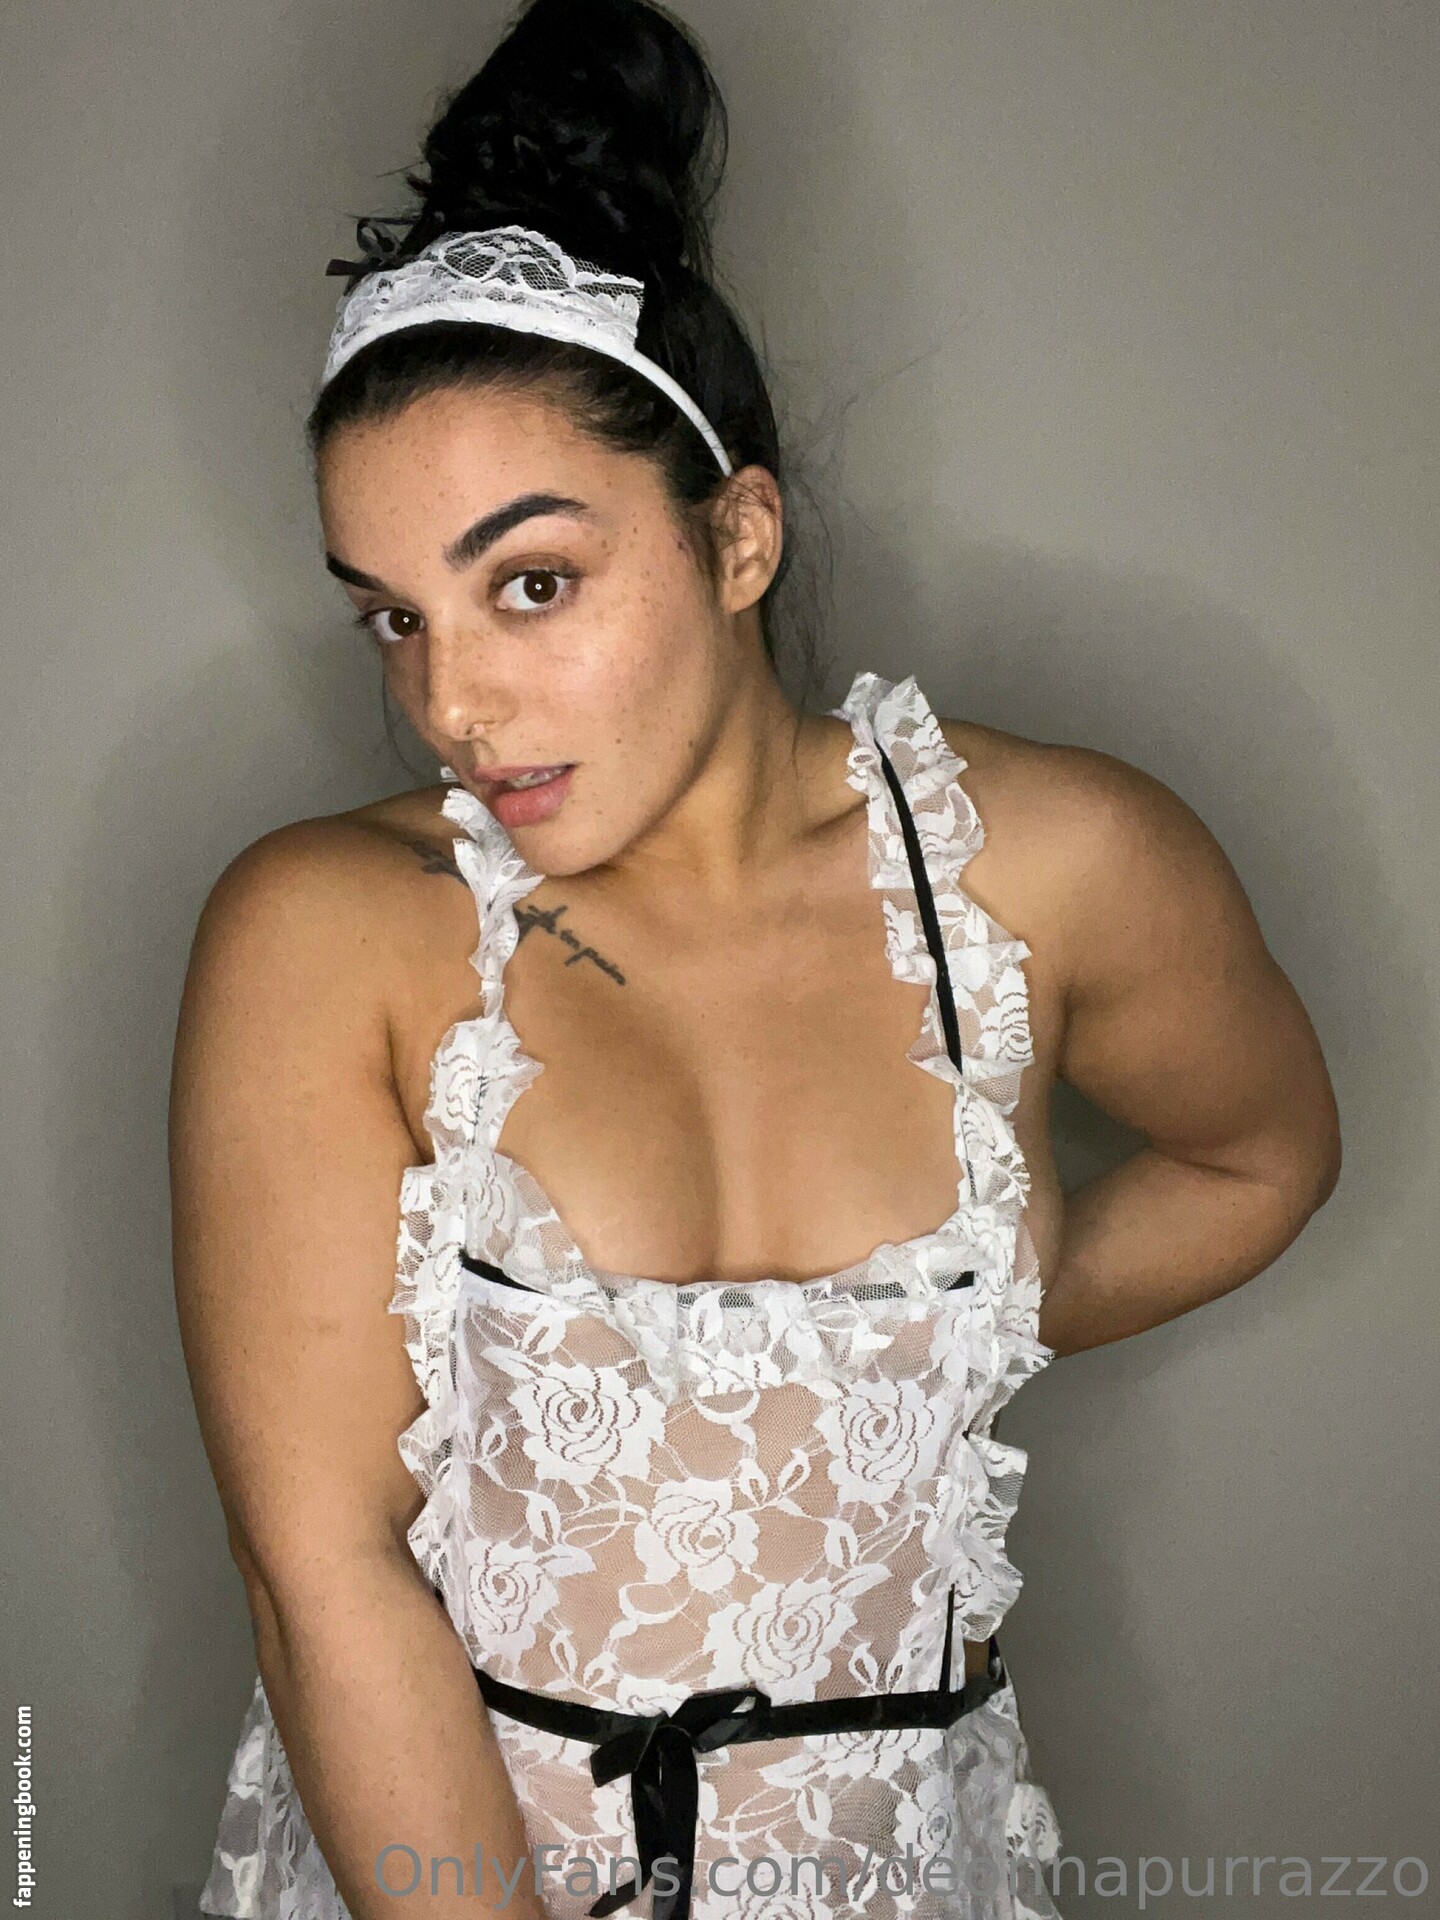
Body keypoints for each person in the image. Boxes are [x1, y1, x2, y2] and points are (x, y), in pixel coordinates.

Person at [170, 1, 1342, 1916]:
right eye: (394, 617)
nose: (451, 704)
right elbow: (321, 1576)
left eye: (530, 583)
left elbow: (1262, 1156)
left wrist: (932, 1353)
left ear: (738, 540)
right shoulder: (325, 933)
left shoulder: (1056, 869)